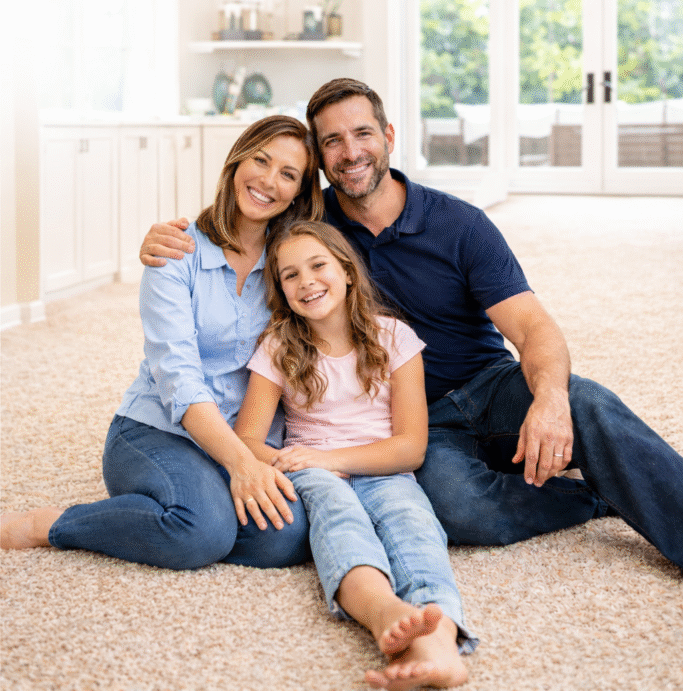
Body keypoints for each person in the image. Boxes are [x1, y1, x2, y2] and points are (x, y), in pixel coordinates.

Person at [139, 80, 683, 568]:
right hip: (415, 418)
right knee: (457, 509)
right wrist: (168, 239)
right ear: (321, 159)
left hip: (489, 385)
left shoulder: (459, 223)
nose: (350, 152)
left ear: (389, 135)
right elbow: (248, 209)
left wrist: (550, 401)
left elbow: (533, 327)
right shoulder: (309, 227)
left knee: (582, 401)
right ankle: (594, 495)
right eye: (332, 141)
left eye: (362, 134)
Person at [1, 116, 324, 570]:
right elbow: (178, 377)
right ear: (236, 161)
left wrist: (251, 458)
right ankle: (50, 524)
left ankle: (189, 512)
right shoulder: (175, 251)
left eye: (288, 174)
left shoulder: (294, 264)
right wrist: (241, 466)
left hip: (244, 436)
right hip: (159, 430)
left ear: (300, 192)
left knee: (286, 539)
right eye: (261, 160)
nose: (268, 181)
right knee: (200, 533)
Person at [234, 220, 477, 690]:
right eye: (290, 275)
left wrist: (330, 459)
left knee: (414, 524)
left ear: (347, 272)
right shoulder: (279, 347)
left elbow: (410, 447)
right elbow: (246, 439)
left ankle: (440, 647)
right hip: (313, 470)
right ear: (281, 291)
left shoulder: (395, 338)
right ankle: (383, 612)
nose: (306, 281)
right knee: (338, 516)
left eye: (318, 265)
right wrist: (290, 461)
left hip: (379, 466)